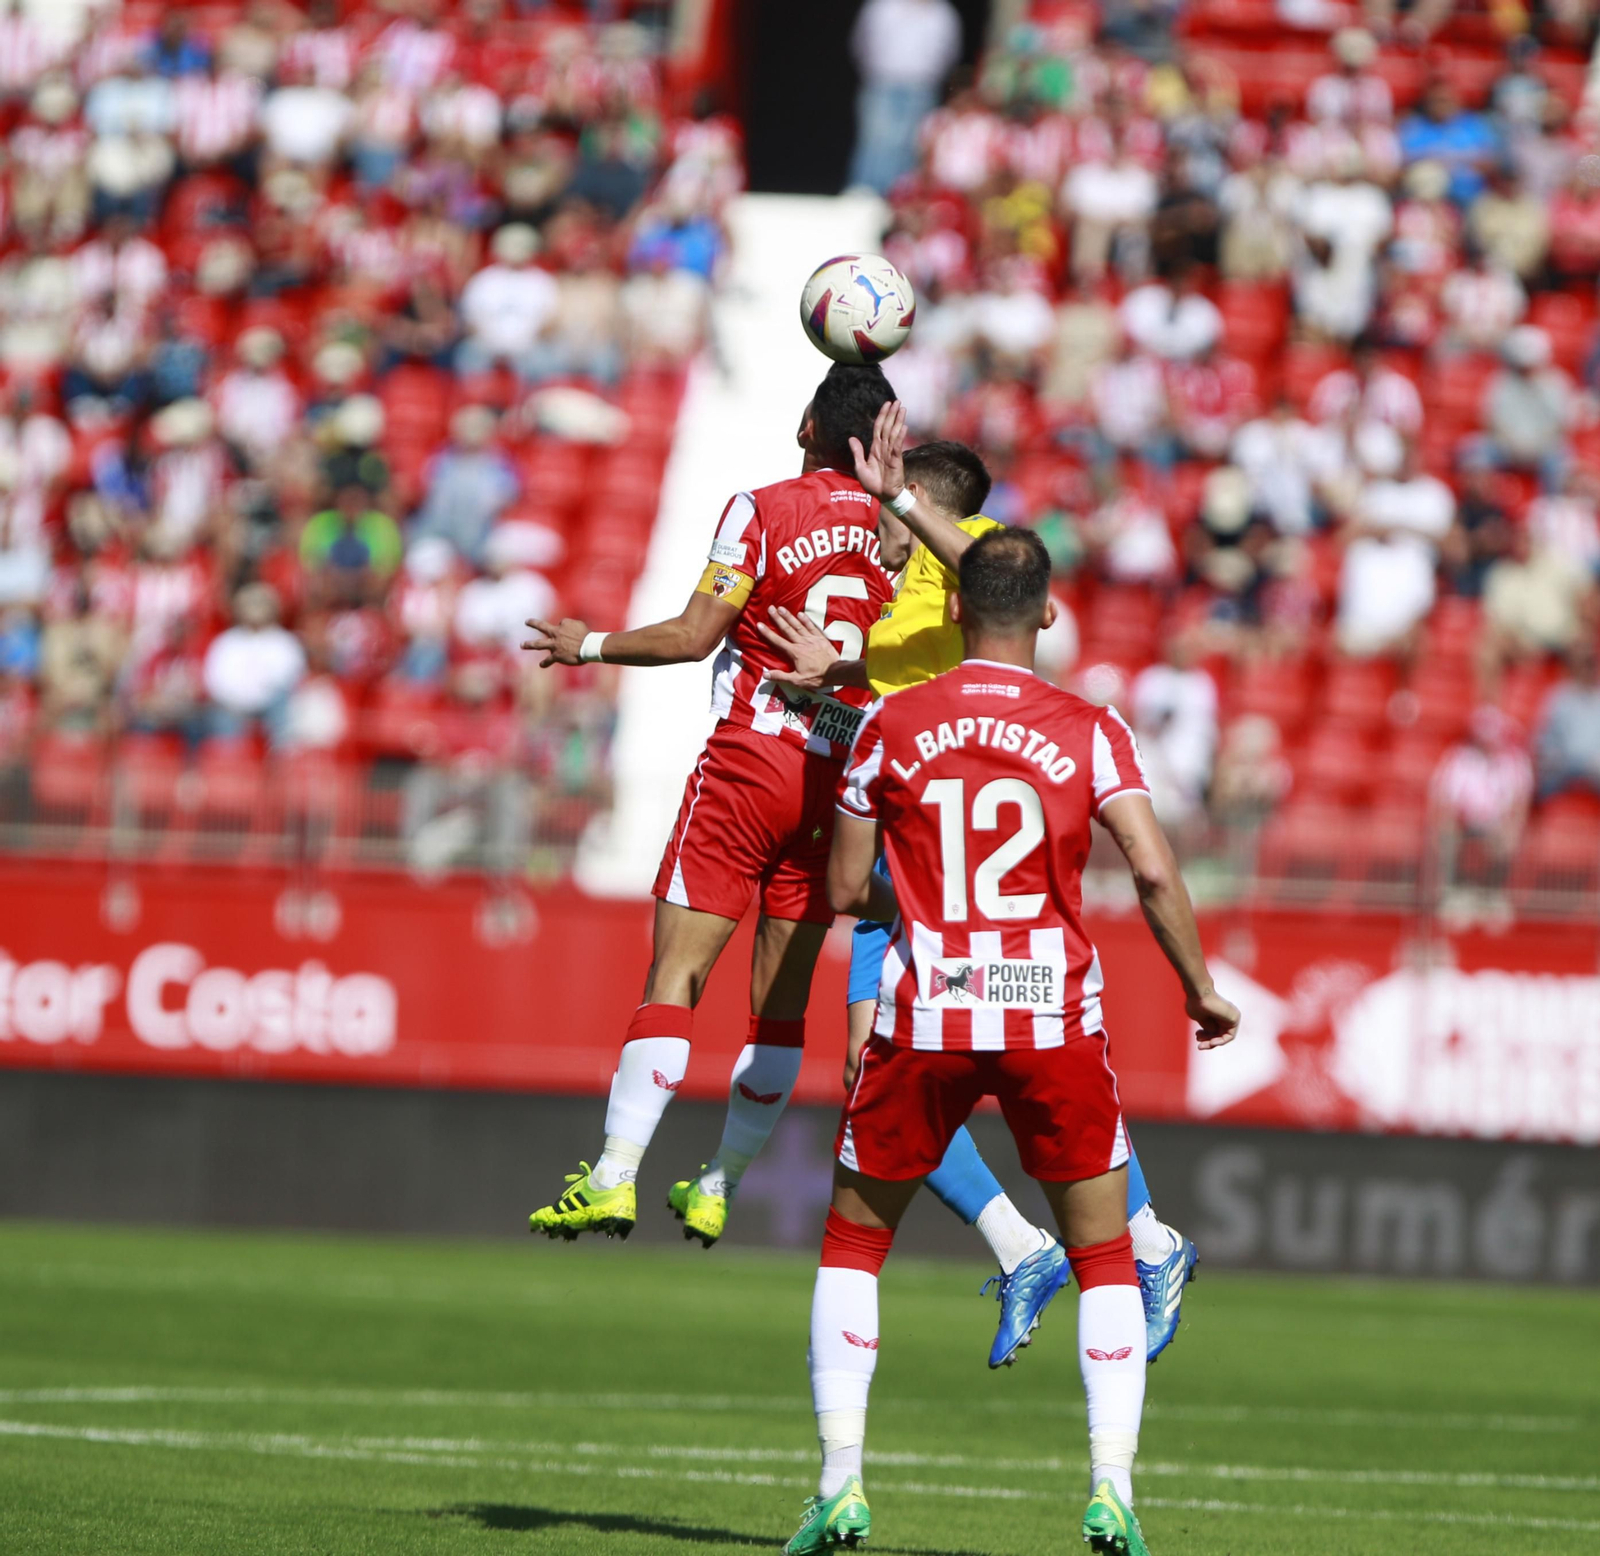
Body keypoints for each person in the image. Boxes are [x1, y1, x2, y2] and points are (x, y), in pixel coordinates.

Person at [782, 525, 1239, 1555]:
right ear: (1046, 611)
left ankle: (840, 1483)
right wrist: (1199, 989)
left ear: (950, 613)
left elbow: (848, 890)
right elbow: (1157, 872)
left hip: (926, 1013)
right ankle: (1111, 1488)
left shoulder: (889, 723)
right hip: (1051, 1021)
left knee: (856, 1240)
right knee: (1105, 1254)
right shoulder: (1092, 728)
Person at [761, 409, 1207, 1366]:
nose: (869, 522)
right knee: (870, 1070)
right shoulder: (896, 610)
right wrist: (828, 685)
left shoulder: (950, 575)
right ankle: (1028, 1246)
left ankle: (1138, 1241)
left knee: (1014, 1062)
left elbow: (995, 576)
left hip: (938, 872)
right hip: (916, 853)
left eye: (887, 508)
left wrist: (904, 507)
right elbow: (889, 731)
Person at [521, 364, 899, 1247]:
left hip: (749, 766)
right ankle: (719, 1185)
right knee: (779, 1008)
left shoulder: (762, 508)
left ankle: (614, 1178)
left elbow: (696, 639)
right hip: (838, 786)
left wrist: (593, 646)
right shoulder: (900, 541)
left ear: (808, 423)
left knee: (678, 978)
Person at [847, 0, 962, 195]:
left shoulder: (942, 13)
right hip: (882, 83)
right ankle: (864, 198)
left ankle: (898, 200)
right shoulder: (882, 7)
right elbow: (861, 43)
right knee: (876, 142)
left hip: (922, 88)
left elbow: (949, 54)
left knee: (910, 146)